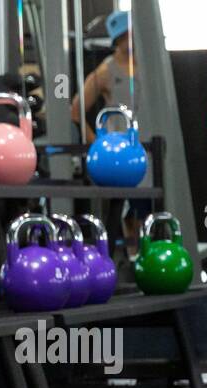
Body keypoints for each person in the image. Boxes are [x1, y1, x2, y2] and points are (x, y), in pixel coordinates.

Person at [71, 9, 149, 253]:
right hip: (120, 157)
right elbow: (75, 110)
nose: (129, 39)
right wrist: (99, 144)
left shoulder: (149, 65)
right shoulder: (106, 71)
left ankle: (145, 257)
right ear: (117, 39)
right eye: (123, 36)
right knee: (127, 213)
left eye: (131, 33)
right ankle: (131, 259)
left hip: (149, 150)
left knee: (148, 210)